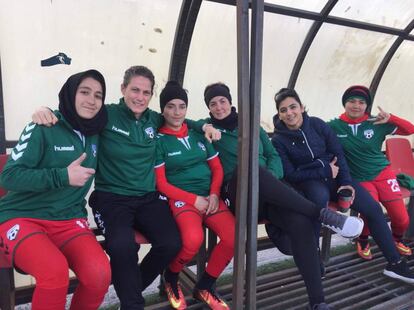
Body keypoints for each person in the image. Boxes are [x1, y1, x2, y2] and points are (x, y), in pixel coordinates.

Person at [31, 66, 220, 310]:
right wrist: (45, 110)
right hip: (112, 198)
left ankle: (132, 288)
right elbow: (76, 114)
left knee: (172, 243)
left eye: (146, 92)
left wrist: (202, 126)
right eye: (135, 90)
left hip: (148, 198)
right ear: (123, 89)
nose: (140, 97)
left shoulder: (153, 118)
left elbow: (179, 118)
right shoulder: (106, 115)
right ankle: (132, 302)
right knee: (122, 246)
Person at [201, 82, 364, 310]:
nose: (219, 107)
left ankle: (318, 303)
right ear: (208, 108)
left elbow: (272, 155)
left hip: (267, 190)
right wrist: (205, 126)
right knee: (247, 169)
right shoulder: (205, 128)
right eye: (213, 104)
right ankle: (321, 214)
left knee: (300, 222)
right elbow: (179, 122)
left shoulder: (251, 126)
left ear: (230, 102)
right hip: (236, 193)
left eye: (222, 101)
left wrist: (270, 179)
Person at [272, 87, 414, 285]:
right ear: (279, 114)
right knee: (317, 202)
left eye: (293, 107)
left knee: (372, 209)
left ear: (302, 107)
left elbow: (338, 154)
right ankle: (314, 259)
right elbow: (291, 174)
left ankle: (395, 263)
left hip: (337, 178)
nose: (289, 113)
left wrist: (346, 183)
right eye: (283, 110)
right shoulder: (279, 139)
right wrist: (324, 172)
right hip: (311, 182)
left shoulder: (318, 125)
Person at [0, 70, 111, 310]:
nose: (91, 100)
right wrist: (62, 176)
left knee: (100, 275)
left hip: (68, 219)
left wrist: (205, 124)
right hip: (23, 216)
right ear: (70, 94)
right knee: (54, 273)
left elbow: (138, 112)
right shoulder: (43, 125)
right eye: (84, 92)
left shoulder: (98, 130)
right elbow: (9, 177)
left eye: (98, 95)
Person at [154, 81, 234, 309]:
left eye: (181, 106)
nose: (176, 112)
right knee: (192, 239)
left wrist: (214, 194)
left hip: (210, 197)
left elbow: (217, 168)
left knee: (234, 236)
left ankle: (205, 286)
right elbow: (161, 183)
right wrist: (193, 199)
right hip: (183, 199)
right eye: (170, 106)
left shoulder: (199, 134)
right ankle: (170, 277)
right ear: (163, 110)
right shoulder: (159, 141)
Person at [328, 85, 414, 260]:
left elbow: (410, 129)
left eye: (361, 102)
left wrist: (391, 118)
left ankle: (396, 239)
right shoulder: (333, 126)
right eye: (352, 101)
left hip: (383, 174)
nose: (356, 105)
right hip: (359, 179)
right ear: (345, 103)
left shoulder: (376, 123)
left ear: (366, 106)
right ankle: (363, 239)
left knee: (402, 218)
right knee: (370, 211)